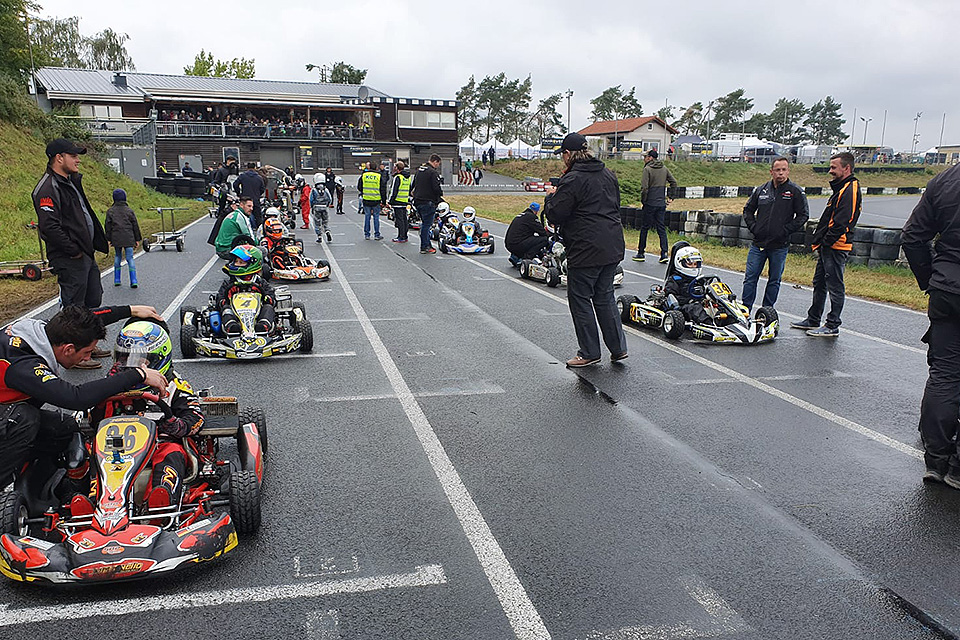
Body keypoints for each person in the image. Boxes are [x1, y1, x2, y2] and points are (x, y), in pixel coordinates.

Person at [0, 304, 168, 489]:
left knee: (65, 428)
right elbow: (76, 398)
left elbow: (85, 321)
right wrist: (138, 374)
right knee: (23, 418)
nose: (88, 358)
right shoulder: (20, 365)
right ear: (68, 349)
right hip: (9, 414)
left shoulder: (45, 332)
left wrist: (130, 310)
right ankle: (4, 489)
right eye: (87, 352)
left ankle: (41, 488)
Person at [93, 321, 204, 509]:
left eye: (138, 361)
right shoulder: (110, 384)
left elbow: (196, 417)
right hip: (113, 447)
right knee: (93, 454)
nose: (129, 366)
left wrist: (178, 425)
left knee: (172, 453)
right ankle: (93, 502)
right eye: (123, 359)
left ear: (158, 359)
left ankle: (161, 498)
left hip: (159, 444)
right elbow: (93, 419)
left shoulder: (174, 387)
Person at [544, 132, 627, 367]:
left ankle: (589, 351)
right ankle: (618, 348)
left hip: (586, 247)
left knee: (580, 299)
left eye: (563, 155)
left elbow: (557, 214)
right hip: (612, 243)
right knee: (605, 297)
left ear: (568, 155)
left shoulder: (573, 180)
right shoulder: (607, 173)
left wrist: (551, 198)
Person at [902, 162, 960, 485]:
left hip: (946, 290)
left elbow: (912, 237)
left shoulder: (944, 180)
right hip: (946, 284)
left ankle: (936, 460)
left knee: (945, 374)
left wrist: (930, 280)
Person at [790, 152, 861, 337]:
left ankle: (832, 324)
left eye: (834, 168)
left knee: (835, 285)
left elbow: (842, 222)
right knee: (819, 282)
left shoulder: (850, 189)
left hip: (837, 247)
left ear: (846, 168)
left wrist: (827, 242)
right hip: (828, 246)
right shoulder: (842, 188)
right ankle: (813, 318)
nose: (830, 171)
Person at [740, 157, 809, 311]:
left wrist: (785, 231)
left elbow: (803, 215)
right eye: (777, 170)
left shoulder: (795, 191)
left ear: (788, 171)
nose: (781, 173)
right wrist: (754, 227)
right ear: (771, 172)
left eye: (784, 170)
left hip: (779, 245)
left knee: (774, 280)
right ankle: (745, 310)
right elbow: (748, 210)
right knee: (750, 278)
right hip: (758, 244)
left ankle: (767, 311)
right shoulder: (761, 190)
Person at [216, 245, 276, 334]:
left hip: (257, 313)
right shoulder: (229, 282)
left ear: (253, 264)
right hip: (236, 313)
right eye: (236, 262)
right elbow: (220, 297)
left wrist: (267, 298)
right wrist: (223, 301)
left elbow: (271, 295)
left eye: (241, 262)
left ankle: (263, 325)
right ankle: (231, 326)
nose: (236, 264)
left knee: (268, 307)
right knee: (226, 309)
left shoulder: (260, 282)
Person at [633, 149, 677, 264]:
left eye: (645, 157)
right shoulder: (664, 168)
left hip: (650, 203)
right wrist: (670, 196)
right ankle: (664, 253)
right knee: (661, 228)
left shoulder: (647, 169)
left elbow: (644, 188)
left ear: (650, 158)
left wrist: (644, 201)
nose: (644, 159)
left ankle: (641, 252)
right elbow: (674, 182)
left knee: (645, 228)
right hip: (661, 203)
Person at [104, 188, 142, 289]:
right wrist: (137, 239)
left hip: (116, 237)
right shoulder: (129, 211)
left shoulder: (110, 211)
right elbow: (135, 225)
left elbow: (108, 226)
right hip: (129, 237)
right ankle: (133, 280)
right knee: (130, 258)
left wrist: (108, 238)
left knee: (118, 257)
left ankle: (117, 279)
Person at [412, 154, 444, 254]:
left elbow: (413, 185)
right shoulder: (432, 172)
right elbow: (436, 188)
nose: (438, 166)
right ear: (435, 162)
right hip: (428, 201)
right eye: (438, 164)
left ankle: (427, 244)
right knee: (427, 225)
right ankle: (425, 246)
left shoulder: (419, 170)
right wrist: (440, 196)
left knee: (424, 224)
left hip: (418, 200)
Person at [505, 202, 550, 267]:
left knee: (532, 239)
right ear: (537, 211)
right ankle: (526, 258)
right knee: (544, 240)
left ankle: (516, 256)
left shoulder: (521, 215)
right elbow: (542, 232)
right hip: (517, 244)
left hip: (509, 244)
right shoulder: (532, 217)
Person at [357, 162, 386, 240]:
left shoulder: (364, 175)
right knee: (376, 217)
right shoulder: (379, 176)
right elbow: (383, 189)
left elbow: (359, 187)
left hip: (366, 199)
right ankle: (377, 234)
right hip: (376, 199)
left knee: (367, 216)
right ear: (376, 168)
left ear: (369, 168)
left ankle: (367, 234)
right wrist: (384, 201)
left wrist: (364, 192)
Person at [234, 162, 266, 230]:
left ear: (247, 168)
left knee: (244, 216)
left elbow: (235, 184)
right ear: (255, 168)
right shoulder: (259, 177)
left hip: (245, 199)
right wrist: (258, 194)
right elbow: (262, 189)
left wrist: (239, 194)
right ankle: (260, 231)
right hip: (255, 199)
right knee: (258, 216)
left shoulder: (242, 176)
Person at [387, 161, 412, 243]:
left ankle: (401, 236)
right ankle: (404, 235)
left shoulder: (397, 177)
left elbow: (394, 190)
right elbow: (410, 189)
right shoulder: (407, 177)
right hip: (404, 200)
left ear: (397, 168)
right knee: (404, 219)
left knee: (399, 220)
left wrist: (390, 201)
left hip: (397, 201)